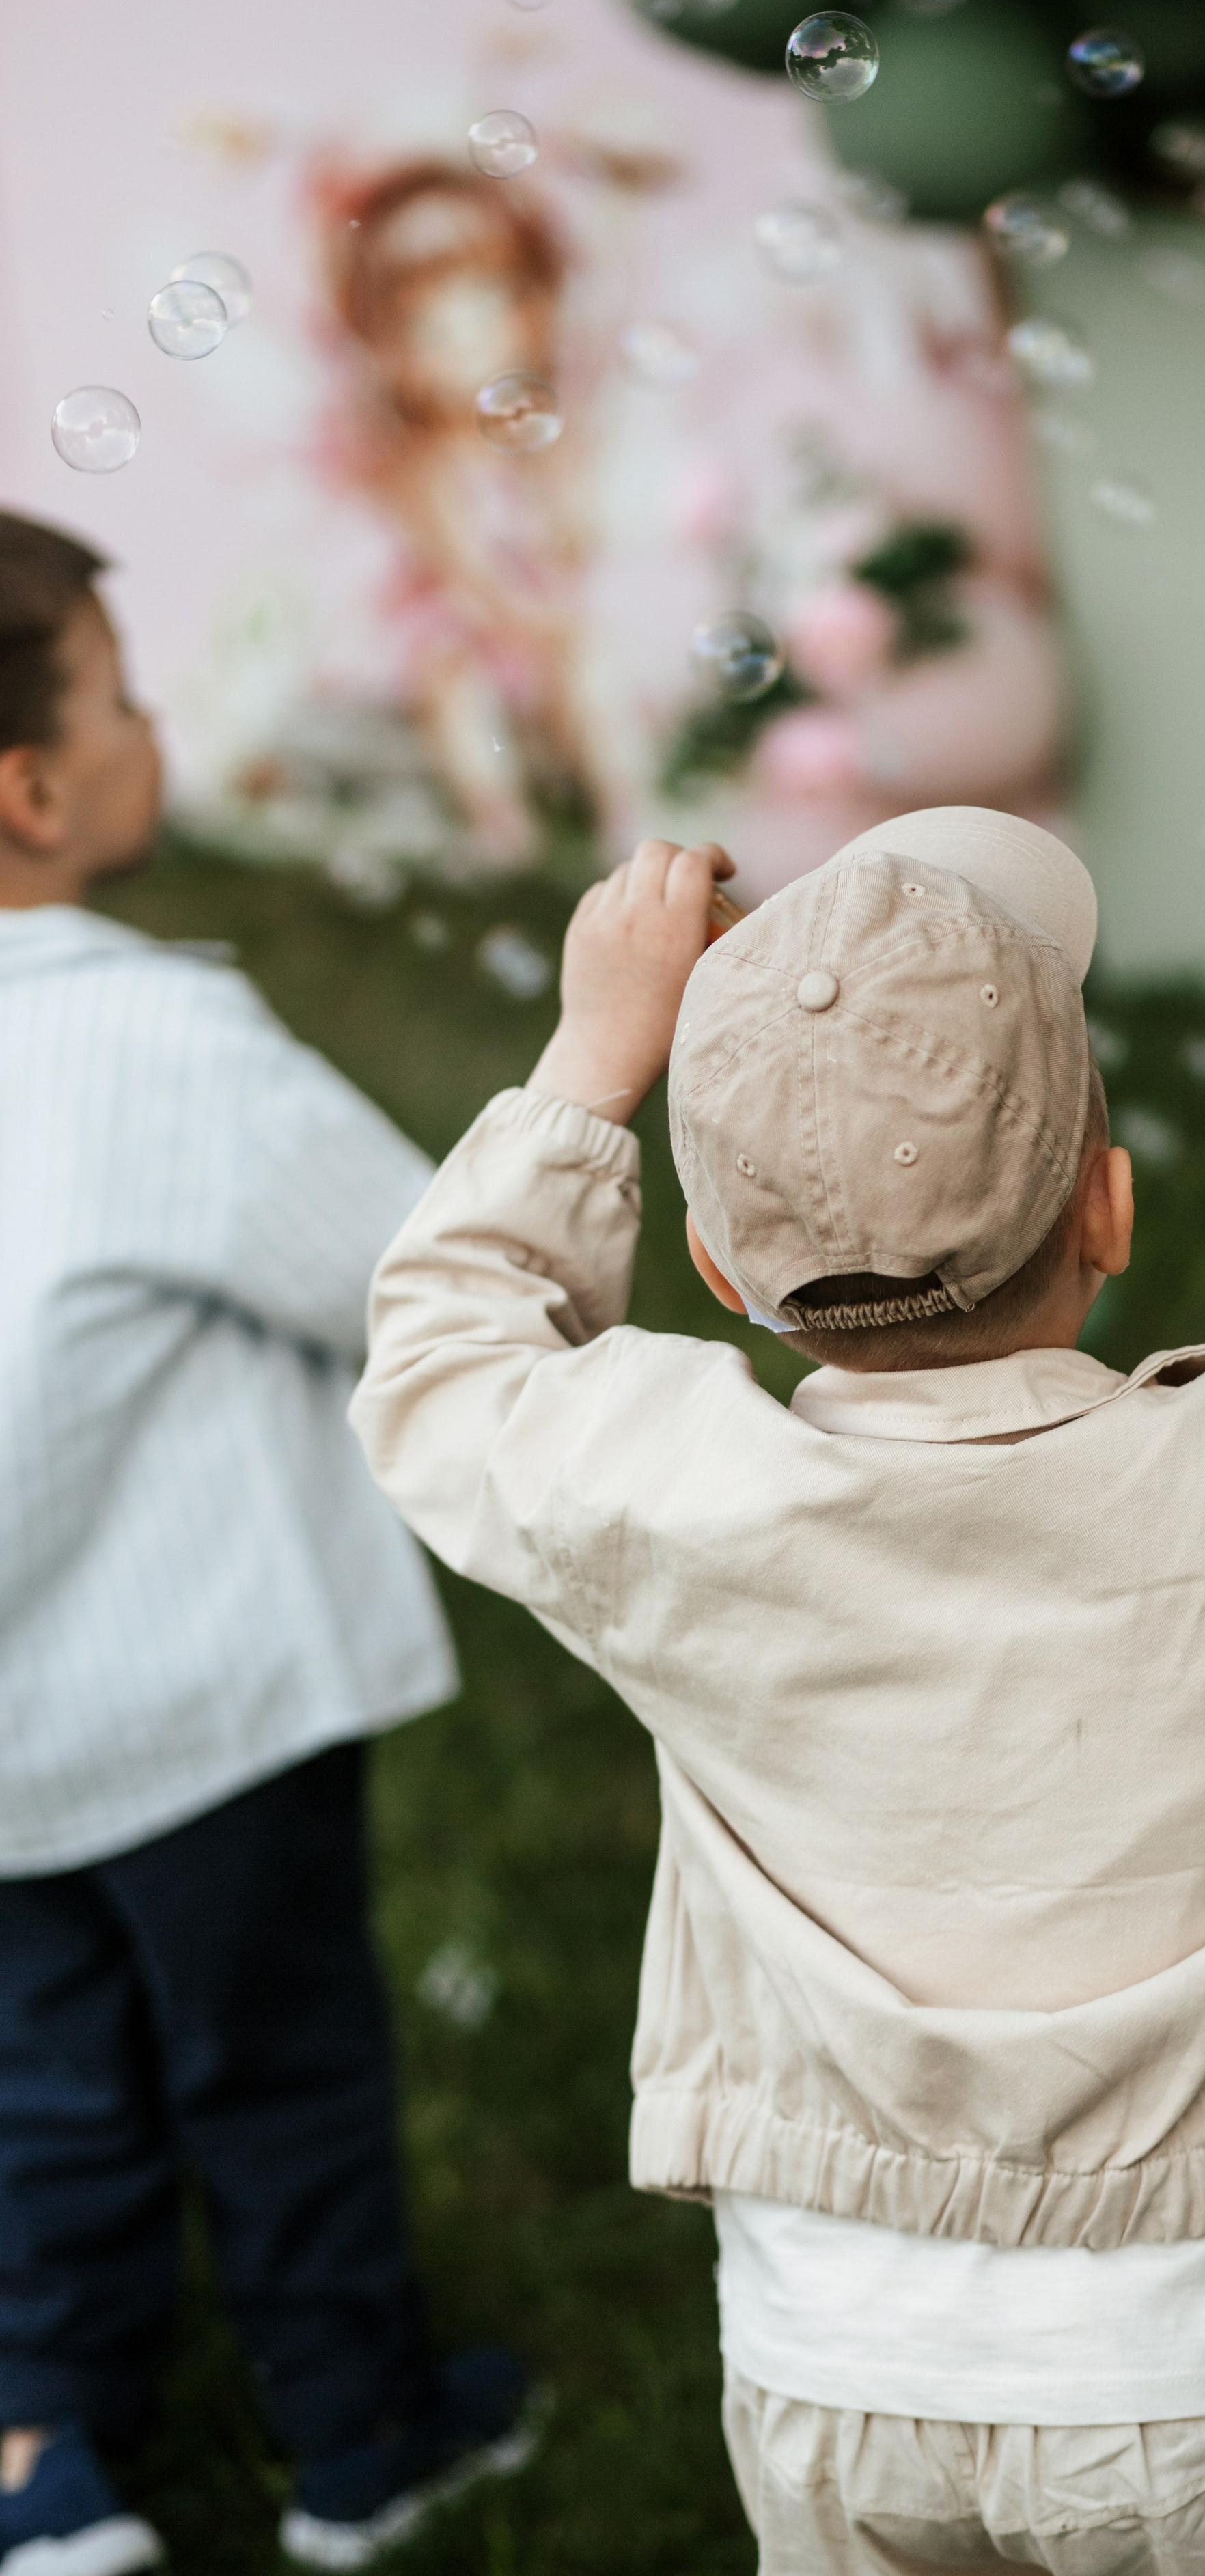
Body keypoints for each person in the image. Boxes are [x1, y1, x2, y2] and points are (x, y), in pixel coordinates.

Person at [352, 803, 1205, 2575]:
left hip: (830, 2371)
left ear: (717, 1275)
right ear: (1111, 1204)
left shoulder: (663, 1499)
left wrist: (591, 1055)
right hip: (1204, 2374)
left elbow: (444, 1355)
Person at [0, 514, 537, 2574]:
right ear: (35, 795)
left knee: (48, 2083)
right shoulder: (158, 1045)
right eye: (122, 698)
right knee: (280, 2065)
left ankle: (51, 2460)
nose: (154, 727)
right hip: (203, 1706)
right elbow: (416, 1270)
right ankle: (360, 2437)